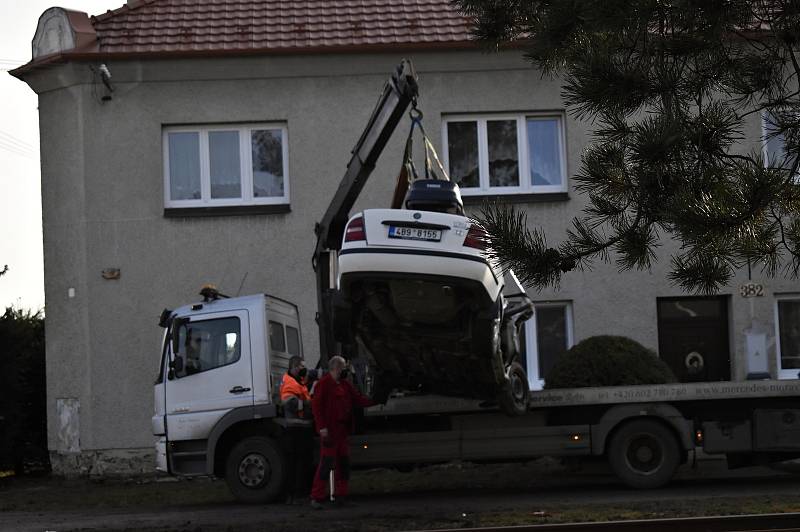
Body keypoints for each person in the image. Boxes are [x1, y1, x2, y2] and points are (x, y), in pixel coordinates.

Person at [310, 356, 373, 509]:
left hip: (342, 431)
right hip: (330, 432)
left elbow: (357, 399)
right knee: (326, 463)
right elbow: (316, 407)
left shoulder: (344, 384)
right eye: (343, 368)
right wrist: (322, 427)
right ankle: (316, 497)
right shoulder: (324, 385)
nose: (345, 371)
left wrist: (374, 400)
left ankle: (341, 496)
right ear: (336, 368)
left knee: (343, 464)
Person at [279, 355, 314, 504]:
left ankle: (295, 495)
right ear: (294, 367)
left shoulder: (296, 381)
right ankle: (296, 495)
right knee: (297, 464)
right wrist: (310, 402)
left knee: (298, 463)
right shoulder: (290, 384)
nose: (304, 370)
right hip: (296, 430)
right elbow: (292, 405)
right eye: (301, 367)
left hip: (300, 429)